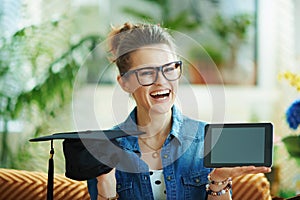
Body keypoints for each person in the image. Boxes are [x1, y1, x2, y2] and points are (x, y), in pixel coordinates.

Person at [87, 22, 271, 200]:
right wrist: (107, 188)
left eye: (169, 69)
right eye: (146, 72)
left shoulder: (206, 140)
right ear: (124, 83)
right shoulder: (105, 149)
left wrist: (219, 181)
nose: (161, 81)